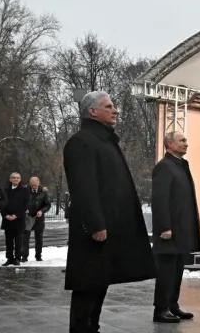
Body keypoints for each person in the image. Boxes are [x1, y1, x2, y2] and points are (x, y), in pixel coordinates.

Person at [63, 90, 156, 332]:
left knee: (100, 282)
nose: (115, 110)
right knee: (87, 285)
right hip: (95, 230)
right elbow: (83, 188)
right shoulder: (81, 142)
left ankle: (92, 327)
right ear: (92, 111)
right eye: (108, 106)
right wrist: (95, 225)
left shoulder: (105, 141)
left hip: (111, 226)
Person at [151, 131, 200, 323]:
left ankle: (172, 306)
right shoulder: (164, 167)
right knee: (166, 271)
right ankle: (160, 310)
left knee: (177, 269)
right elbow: (160, 199)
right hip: (169, 231)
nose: (186, 144)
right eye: (182, 141)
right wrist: (165, 226)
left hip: (181, 231)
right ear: (170, 144)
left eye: (186, 140)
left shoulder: (180, 166)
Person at [0, 172, 30, 266]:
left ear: (20, 179)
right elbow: (1, 204)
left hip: (19, 219)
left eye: (17, 178)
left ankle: (17, 258)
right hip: (7, 219)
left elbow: (26, 205)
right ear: (10, 179)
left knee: (18, 241)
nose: (15, 179)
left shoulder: (24, 190)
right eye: (14, 178)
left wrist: (16, 215)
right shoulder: (5, 190)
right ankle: (9, 258)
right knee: (8, 241)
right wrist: (5, 215)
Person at [23, 176, 51, 262]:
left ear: (38, 183)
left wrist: (41, 211)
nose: (34, 187)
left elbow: (47, 204)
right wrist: (24, 209)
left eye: (35, 185)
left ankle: (38, 256)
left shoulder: (43, 191)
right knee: (25, 237)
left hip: (39, 218)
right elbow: (21, 201)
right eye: (32, 185)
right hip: (28, 217)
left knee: (39, 237)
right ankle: (24, 256)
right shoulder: (25, 190)